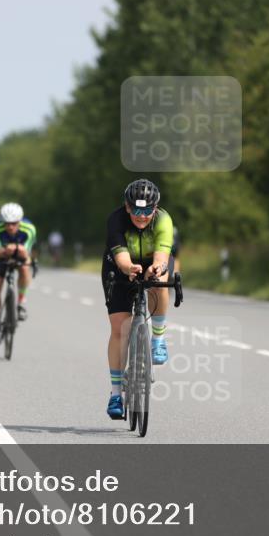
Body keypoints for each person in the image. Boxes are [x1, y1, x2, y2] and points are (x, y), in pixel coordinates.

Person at [101, 179, 174, 419]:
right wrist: (128, 268)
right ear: (127, 206)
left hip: (152, 262)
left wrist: (158, 268)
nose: (141, 216)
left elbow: (162, 255)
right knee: (120, 327)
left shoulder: (163, 220)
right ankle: (115, 394)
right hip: (120, 265)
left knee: (161, 282)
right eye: (136, 210)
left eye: (147, 211)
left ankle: (158, 339)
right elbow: (121, 257)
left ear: (156, 208)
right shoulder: (116, 219)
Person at [0, 202, 37, 344]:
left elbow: (25, 253)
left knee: (25, 267)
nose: (10, 227)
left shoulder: (29, 229)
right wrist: (8, 250)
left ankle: (21, 302)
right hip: (0, 255)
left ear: (20, 221)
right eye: (7, 223)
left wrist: (15, 248)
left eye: (14, 223)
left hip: (20, 253)